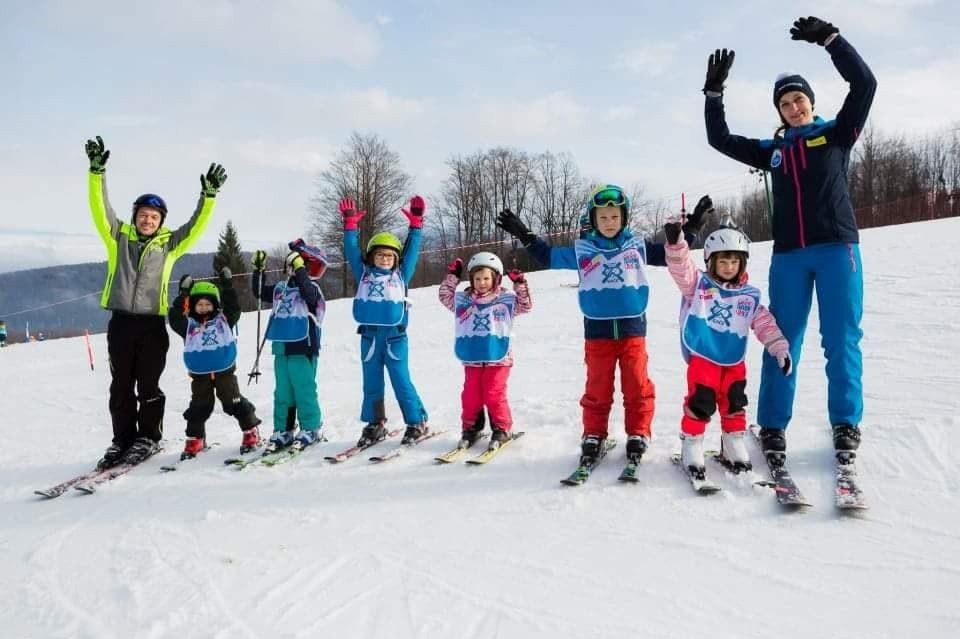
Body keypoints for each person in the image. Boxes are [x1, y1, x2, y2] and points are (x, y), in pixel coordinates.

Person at [702, 16, 876, 467]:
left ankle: (845, 423)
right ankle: (773, 425)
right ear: (779, 111)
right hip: (790, 257)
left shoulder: (837, 134)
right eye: (786, 103)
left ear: (810, 103)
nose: (794, 107)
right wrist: (713, 95)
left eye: (799, 99)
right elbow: (718, 138)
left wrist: (831, 41)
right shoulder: (772, 151)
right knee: (783, 339)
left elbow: (864, 83)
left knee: (840, 339)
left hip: (838, 250)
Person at [497, 185, 709, 465]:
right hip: (597, 331)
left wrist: (690, 227)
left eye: (614, 217)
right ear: (594, 220)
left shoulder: (638, 246)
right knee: (597, 387)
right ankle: (593, 434)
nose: (609, 223)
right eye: (603, 218)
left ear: (624, 218)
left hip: (632, 329)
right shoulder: (582, 250)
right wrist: (524, 234)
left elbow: (670, 253)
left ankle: (638, 433)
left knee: (636, 385)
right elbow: (547, 256)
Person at [85, 135, 226, 470]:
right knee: (121, 385)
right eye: (143, 215)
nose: (148, 220)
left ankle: (148, 436)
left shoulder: (169, 245)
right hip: (121, 323)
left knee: (148, 383)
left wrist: (208, 197)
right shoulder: (117, 237)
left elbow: (196, 226)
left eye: (154, 217)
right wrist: (96, 174)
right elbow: (99, 207)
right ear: (135, 217)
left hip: (152, 325)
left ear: (161, 221)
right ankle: (122, 439)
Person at [664, 220, 791, 478]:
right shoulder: (698, 286)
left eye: (734, 262)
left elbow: (765, 324)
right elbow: (681, 268)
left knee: (734, 401)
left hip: (733, 360)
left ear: (742, 264)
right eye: (723, 261)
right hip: (704, 356)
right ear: (711, 262)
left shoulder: (749, 296)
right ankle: (692, 443)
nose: (729, 267)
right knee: (702, 400)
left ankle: (733, 441)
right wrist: (677, 243)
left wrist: (779, 348)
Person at [340, 196, 429, 447]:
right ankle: (374, 423)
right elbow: (351, 252)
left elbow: (411, 251)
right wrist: (349, 227)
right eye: (380, 255)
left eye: (390, 256)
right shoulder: (363, 275)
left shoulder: (401, 275)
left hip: (395, 337)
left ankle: (416, 421)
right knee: (372, 382)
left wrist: (416, 225)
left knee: (401, 380)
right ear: (371, 258)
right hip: (369, 337)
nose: (385, 259)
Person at [438, 251, 533, 450]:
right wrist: (453, 277)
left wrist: (520, 284)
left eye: (486, 278)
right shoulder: (463, 300)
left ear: (496, 278)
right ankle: (471, 427)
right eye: (477, 278)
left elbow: (525, 306)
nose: (482, 282)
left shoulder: (505, 299)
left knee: (493, 393)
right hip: (472, 357)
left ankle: (501, 428)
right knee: (470, 395)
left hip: (498, 358)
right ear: (471, 279)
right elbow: (445, 296)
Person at [168, 269, 262, 458]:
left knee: (233, 402)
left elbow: (234, 307)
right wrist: (183, 295)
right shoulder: (188, 326)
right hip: (199, 376)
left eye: (208, 304)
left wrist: (227, 286)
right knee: (199, 407)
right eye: (199, 304)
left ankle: (251, 430)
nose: (203, 307)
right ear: (193, 306)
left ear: (215, 305)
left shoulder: (224, 320)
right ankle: (195, 438)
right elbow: (174, 317)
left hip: (224, 373)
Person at [250, 241, 328, 452]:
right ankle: (283, 429)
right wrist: (259, 270)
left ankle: (312, 427)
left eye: (301, 264)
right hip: (282, 348)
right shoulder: (280, 289)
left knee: (304, 389)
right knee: (283, 392)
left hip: (303, 347)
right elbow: (259, 293)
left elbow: (308, 294)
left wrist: (301, 269)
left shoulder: (313, 289)